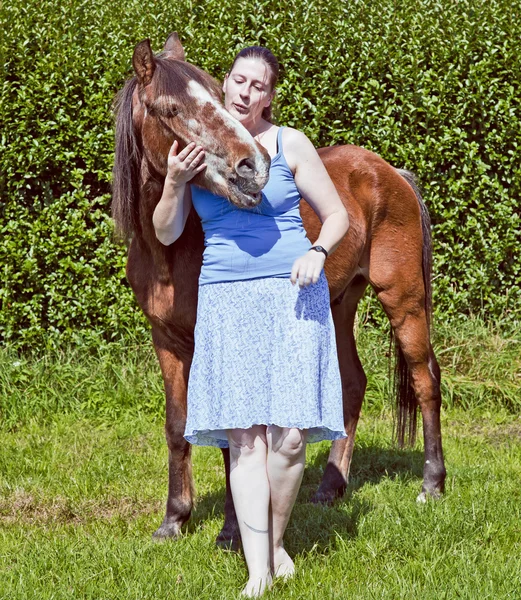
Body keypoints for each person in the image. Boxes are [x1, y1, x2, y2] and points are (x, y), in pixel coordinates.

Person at [152, 46, 350, 598]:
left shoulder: (290, 143)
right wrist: (172, 181)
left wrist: (318, 250)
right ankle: (258, 573)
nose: (244, 92)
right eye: (237, 80)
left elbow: (337, 214)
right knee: (245, 440)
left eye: (257, 85)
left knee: (288, 440)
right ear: (225, 84)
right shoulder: (200, 150)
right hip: (228, 300)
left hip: (292, 295)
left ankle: (277, 544)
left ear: (269, 95)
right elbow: (166, 232)